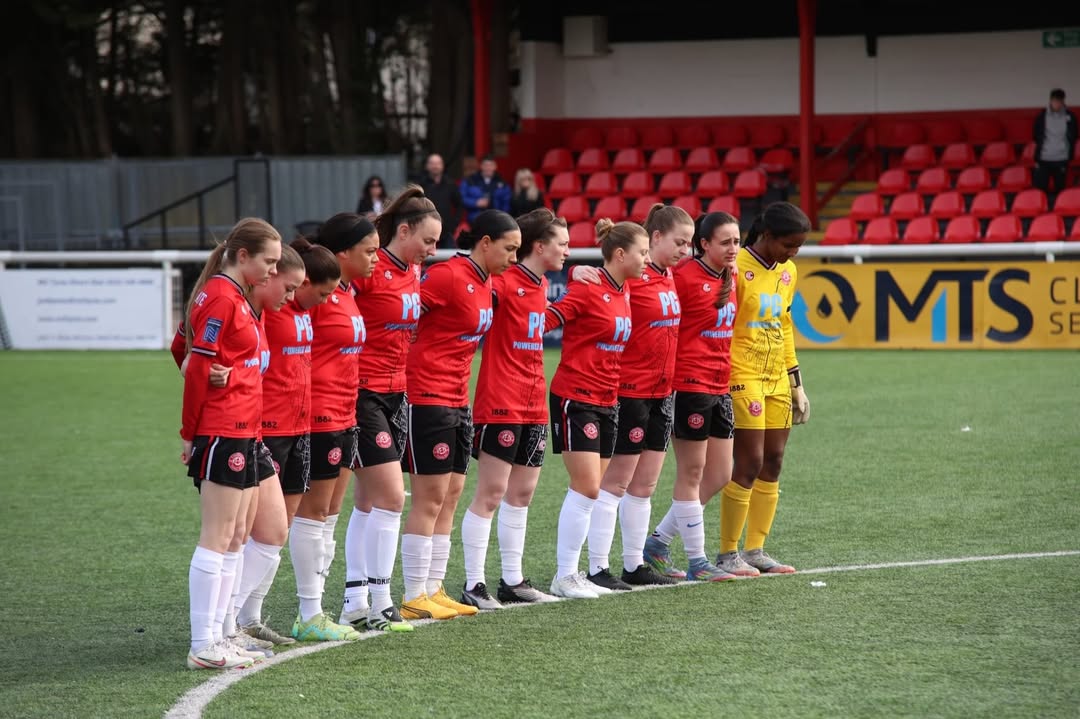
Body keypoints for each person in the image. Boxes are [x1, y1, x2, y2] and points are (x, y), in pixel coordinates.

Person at [399, 209, 521, 621]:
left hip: (457, 400)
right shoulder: (448, 275)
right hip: (426, 396)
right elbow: (403, 314)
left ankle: (434, 588)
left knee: (450, 496)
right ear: (485, 243)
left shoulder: (489, 283)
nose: (513, 258)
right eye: (509, 248)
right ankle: (415, 593)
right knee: (430, 498)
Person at [338, 186, 441, 633]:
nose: (432, 250)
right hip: (362, 392)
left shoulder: (414, 273)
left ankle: (354, 601)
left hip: (397, 394)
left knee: (367, 503)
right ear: (404, 231)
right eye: (428, 241)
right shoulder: (367, 270)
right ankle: (380, 601)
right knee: (393, 497)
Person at [180, 217, 281, 670]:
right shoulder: (223, 298)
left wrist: (223, 372)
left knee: (237, 536)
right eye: (269, 262)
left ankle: (221, 634)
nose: (273, 273)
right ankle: (204, 643)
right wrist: (190, 435)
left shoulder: (235, 297)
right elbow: (195, 365)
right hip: (223, 431)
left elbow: (190, 354)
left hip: (243, 429)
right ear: (243, 256)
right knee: (218, 537)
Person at [458, 208, 568, 610]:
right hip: (499, 403)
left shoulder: (540, 285)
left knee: (521, 495)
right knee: (490, 494)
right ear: (539, 246)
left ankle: (513, 580)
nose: (569, 251)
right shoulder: (500, 283)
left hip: (533, 404)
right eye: (563, 243)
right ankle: (473, 584)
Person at [234, 239, 342, 646]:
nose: (298, 296)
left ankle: (249, 617)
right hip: (268, 432)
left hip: (299, 430)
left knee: (276, 531)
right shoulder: (261, 308)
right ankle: (230, 620)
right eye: (294, 287)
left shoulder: (296, 310)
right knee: (250, 531)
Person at [583, 204, 694, 592]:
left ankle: (633, 565)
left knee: (644, 487)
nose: (685, 250)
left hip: (662, 394)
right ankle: (597, 566)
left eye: (690, 244)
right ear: (656, 237)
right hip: (630, 392)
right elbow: (592, 280)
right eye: (680, 242)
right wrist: (578, 270)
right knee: (614, 485)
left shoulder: (668, 278)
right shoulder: (632, 275)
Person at [545, 219, 650, 599]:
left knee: (593, 490)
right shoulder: (588, 289)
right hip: (576, 396)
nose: (647, 260)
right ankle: (565, 574)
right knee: (587, 488)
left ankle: (578, 572)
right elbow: (544, 319)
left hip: (607, 399)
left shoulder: (623, 290)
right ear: (620, 254)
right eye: (642, 252)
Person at [289, 213, 380, 642]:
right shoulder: (313, 294)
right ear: (341, 254)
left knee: (328, 518)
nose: (375, 259)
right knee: (312, 517)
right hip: (318, 414)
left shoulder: (347, 292)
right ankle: (309, 612)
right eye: (368, 251)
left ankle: (318, 609)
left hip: (346, 414)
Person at [642, 211, 745, 580]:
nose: (734, 248)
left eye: (737, 241)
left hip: (719, 386)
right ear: (704, 244)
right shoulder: (682, 277)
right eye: (726, 242)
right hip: (689, 386)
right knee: (693, 471)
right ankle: (698, 562)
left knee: (720, 474)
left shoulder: (730, 278)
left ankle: (656, 543)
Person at [718, 201, 811, 575]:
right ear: (767, 236)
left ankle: (756, 550)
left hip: (776, 377)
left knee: (774, 460)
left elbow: (784, 326)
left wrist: (797, 384)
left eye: (798, 247)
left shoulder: (788, 272)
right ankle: (728, 553)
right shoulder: (736, 267)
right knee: (750, 461)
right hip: (742, 372)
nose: (793, 253)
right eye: (789, 245)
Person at [1033, 89, 1077, 196]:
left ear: (1063, 101)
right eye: (1054, 101)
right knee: (1040, 190)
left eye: (1059, 101)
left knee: (1061, 191)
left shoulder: (1070, 117)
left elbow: (1074, 135)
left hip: (1061, 158)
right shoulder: (1041, 117)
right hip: (1044, 158)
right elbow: (1036, 135)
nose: (1057, 104)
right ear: (1050, 100)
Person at [419, 153, 464, 248]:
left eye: (438, 163)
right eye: (432, 163)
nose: (435, 166)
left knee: (449, 259)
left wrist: (454, 224)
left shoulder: (450, 184)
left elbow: (460, 205)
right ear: (427, 166)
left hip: (446, 232)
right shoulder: (421, 185)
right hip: (425, 232)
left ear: (442, 166)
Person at [460, 155, 512, 224]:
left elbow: (507, 203)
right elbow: (461, 198)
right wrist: (476, 203)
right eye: (485, 165)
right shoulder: (470, 181)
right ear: (481, 166)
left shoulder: (503, 183)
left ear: (495, 166)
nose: (488, 168)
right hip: (474, 220)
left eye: (491, 165)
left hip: (497, 221)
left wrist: (502, 217)